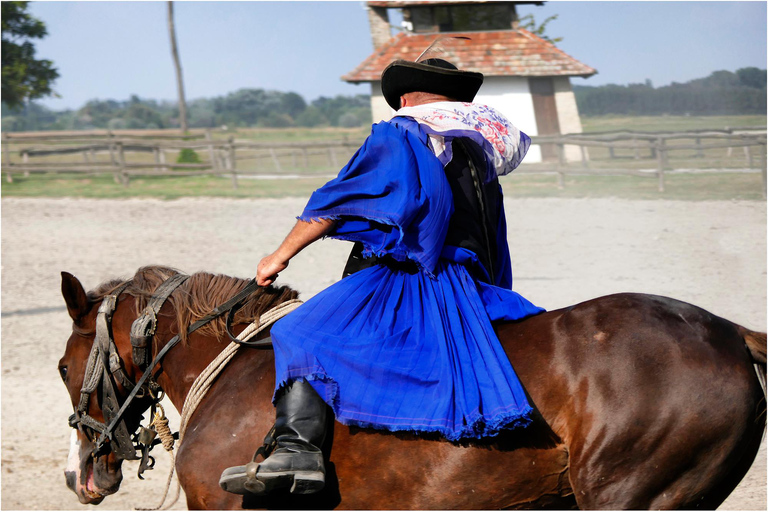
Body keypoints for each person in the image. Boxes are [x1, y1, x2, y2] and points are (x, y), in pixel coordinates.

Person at [219, 57, 545, 497]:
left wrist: (278, 256)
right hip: (472, 280)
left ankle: (298, 453)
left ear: (406, 98)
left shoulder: (399, 133)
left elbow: (337, 203)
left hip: (416, 276)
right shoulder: (473, 150)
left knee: (299, 331)